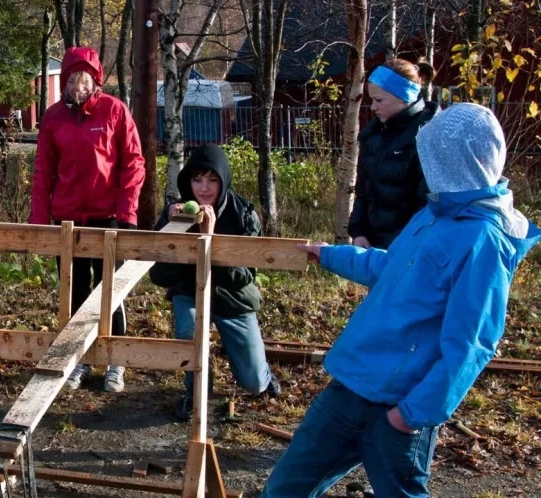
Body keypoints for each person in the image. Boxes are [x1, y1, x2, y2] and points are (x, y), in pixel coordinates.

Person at [261, 103, 540, 497]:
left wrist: (411, 415)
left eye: (436, 157)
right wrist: (331, 254)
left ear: (461, 160)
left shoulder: (483, 241)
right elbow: (393, 269)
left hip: (397, 407)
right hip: (349, 387)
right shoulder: (433, 214)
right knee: (284, 490)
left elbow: (472, 343)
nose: (428, 166)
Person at [29, 46, 145, 393]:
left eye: (85, 79)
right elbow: (43, 170)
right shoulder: (52, 118)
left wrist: (127, 211)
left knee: (109, 292)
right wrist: (39, 217)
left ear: (95, 81)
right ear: (64, 82)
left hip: (109, 217)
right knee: (74, 292)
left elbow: (133, 163)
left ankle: (115, 361)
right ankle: (78, 358)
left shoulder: (114, 111)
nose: (78, 86)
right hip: (68, 220)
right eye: (72, 79)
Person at [149, 144, 281, 420]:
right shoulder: (176, 212)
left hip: (232, 298)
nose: (204, 188)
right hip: (190, 292)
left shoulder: (243, 213)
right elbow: (158, 276)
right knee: (189, 330)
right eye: (197, 180)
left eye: (212, 180)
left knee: (253, 382)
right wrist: (175, 236)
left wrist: (210, 241)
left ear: (223, 180)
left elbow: (245, 276)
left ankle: (264, 376)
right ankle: (196, 392)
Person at [349, 58, 439, 249]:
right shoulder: (373, 136)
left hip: (411, 250)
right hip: (373, 248)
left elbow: (428, 203)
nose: (373, 107)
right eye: (372, 100)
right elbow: (363, 192)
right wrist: (359, 232)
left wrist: (404, 248)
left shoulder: (429, 136)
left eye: (379, 100)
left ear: (403, 97)